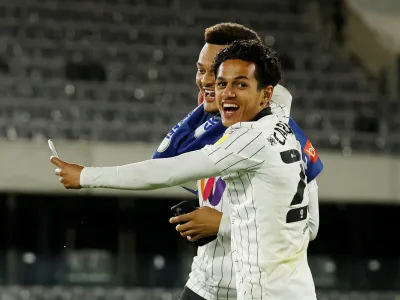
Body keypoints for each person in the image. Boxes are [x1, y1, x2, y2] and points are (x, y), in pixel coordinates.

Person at [51, 39, 317, 299]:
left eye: (240, 84)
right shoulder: (280, 119)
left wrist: (85, 176)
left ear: (265, 93)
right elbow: (281, 95)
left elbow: (167, 171)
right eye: (218, 81)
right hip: (262, 286)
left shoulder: (248, 139)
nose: (224, 90)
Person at [153, 23, 321, 299]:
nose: (206, 79)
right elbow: (161, 162)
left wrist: (222, 223)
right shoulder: (208, 131)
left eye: (217, 71)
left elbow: (308, 226)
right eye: (202, 70)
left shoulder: (285, 137)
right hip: (202, 287)